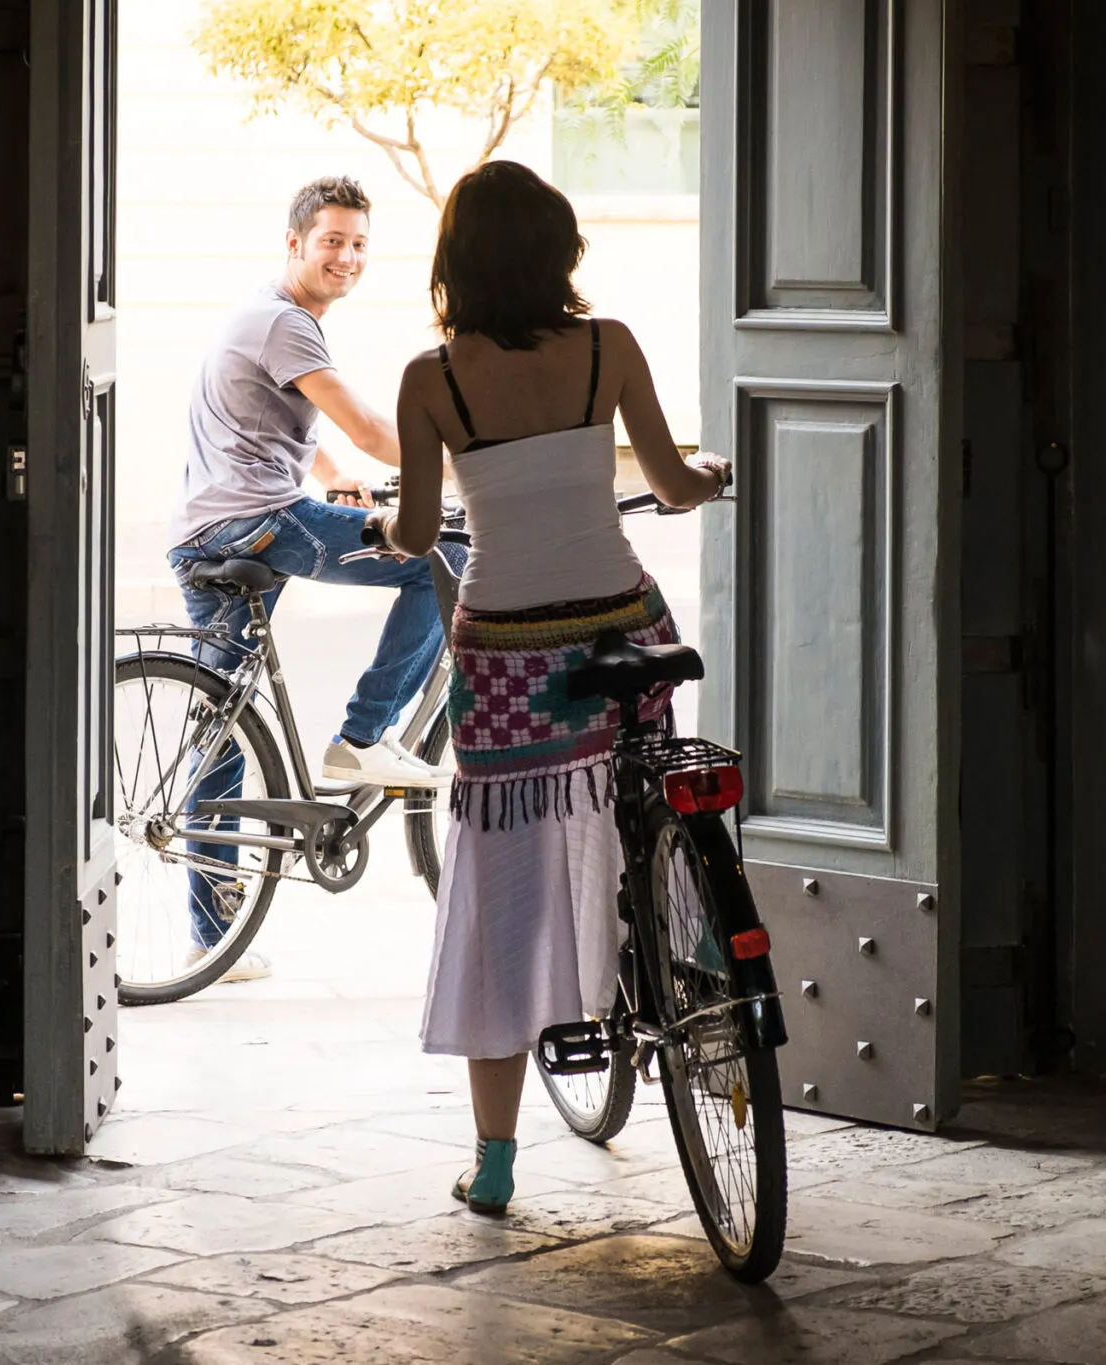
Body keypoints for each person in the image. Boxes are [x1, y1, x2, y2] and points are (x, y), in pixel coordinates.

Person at [367, 161, 730, 1213]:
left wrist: (382, 527)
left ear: (457, 264)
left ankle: (492, 1161)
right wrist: (706, 477)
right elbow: (665, 486)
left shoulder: (430, 379)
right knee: (647, 802)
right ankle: (691, 994)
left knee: (504, 882)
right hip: (621, 623)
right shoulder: (607, 348)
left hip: (508, 655)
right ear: (560, 250)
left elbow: (417, 528)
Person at [166, 175, 468, 983]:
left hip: (206, 530)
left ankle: (212, 938)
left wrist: (335, 476)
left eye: (361, 243)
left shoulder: (264, 314)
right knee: (442, 555)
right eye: (332, 240)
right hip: (257, 520)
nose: (348, 256)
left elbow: (292, 425)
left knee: (225, 725)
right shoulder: (287, 322)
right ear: (294, 242)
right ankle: (362, 740)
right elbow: (372, 427)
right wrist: (470, 463)